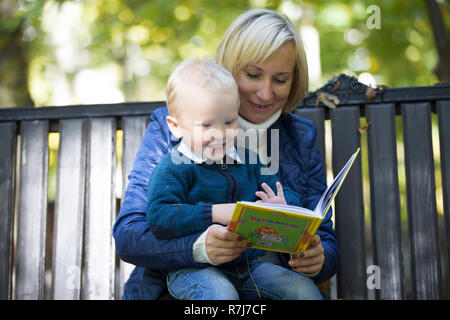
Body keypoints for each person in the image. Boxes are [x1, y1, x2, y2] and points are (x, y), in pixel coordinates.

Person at [113, 8, 339, 300]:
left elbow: (323, 233)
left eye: (280, 80)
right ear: (229, 69)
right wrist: (197, 246)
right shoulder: (176, 126)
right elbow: (131, 235)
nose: (265, 93)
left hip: (263, 275)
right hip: (188, 280)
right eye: (253, 75)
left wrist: (317, 259)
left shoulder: (300, 137)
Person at [145, 58, 322, 299]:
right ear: (176, 127)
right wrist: (216, 212)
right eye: (206, 124)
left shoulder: (248, 159)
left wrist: (283, 205)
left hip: (247, 267)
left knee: (301, 290)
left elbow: (283, 189)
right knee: (220, 295)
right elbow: (160, 216)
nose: (219, 133)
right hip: (193, 269)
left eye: (229, 121)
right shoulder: (174, 166)